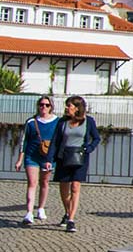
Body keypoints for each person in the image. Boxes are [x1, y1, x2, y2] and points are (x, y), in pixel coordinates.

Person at [46, 96, 102, 234]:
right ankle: (67, 211)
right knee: (64, 188)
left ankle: (71, 219)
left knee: (75, 187)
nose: (66, 108)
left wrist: (88, 148)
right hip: (64, 157)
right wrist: (49, 159)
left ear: (77, 108)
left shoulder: (88, 121)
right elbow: (55, 141)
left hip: (80, 158)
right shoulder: (62, 122)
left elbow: (96, 138)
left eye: (69, 105)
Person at [14, 95, 58, 226]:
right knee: (32, 183)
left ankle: (41, 208)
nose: (44, 107)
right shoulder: (31, 122)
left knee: (44, 182)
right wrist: (20, 160)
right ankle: (29, 212)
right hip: (31, 156)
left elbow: (59, 140)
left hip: (48, 157)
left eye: (47, 105)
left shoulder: (57, 121)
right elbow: (24, 141)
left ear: (51, 107)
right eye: (41, 105)